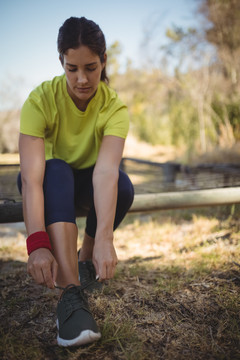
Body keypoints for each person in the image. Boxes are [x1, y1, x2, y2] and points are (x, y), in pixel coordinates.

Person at [17, 16, 134, 347]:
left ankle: (84, 261)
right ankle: (69, 295)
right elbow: (32, 178)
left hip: (88, 183)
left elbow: (106, 172)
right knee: (57, 170)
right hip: (50, 185)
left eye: (91, 68)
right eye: (72, 69)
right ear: (61, 63)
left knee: (124, 185)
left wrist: (104, 240)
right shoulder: (41, 100)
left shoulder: (114, 107)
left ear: (104, 62)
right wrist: (37, 244)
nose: (82, 79)